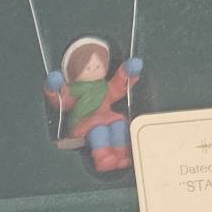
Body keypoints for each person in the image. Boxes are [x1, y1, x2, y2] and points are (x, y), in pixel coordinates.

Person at [44, 37, 143, 173]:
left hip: (107, 117)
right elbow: (62, 102)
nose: (94, 70)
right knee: (99, 130)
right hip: (84, 123)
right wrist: (53, 89)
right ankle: (103, 158)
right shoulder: (72, 90)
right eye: (88, 67)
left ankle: (121, 155)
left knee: (119, 125)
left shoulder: (105, 87)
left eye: (98, 66)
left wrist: (127, 71)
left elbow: (118, 86)